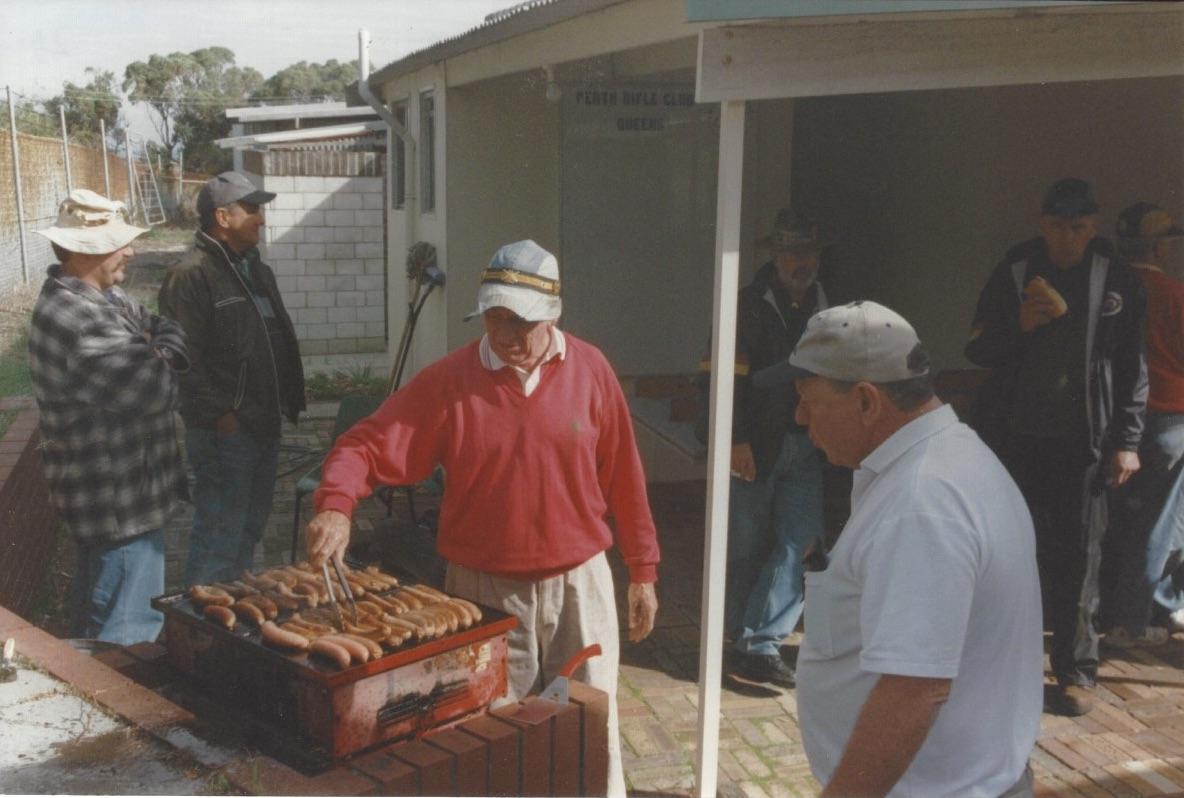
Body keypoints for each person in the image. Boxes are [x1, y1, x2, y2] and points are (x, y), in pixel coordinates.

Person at [305, 239, 660, 797]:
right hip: (484, 594)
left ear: (553, 315)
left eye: (521, 322)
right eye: (495, 319)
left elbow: (625, 477)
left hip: (578, 588)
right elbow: (365, 445)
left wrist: (643, 569)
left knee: (590, 725)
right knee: (490, 737)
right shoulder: (450, 381)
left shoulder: (591, 370)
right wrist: (336, 505)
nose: (506, 336)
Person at [756, 300, 1042, 797]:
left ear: (867, 401)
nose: (800, 417)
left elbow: (914, 690)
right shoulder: (945, 459)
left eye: (809, 398)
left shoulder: (922, 502)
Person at [965, 177, 1147, 717]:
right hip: (1015, 438)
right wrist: (1018, 324)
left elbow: (1132, 365)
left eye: (1079, 227)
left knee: (1079, 558)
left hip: (1083, 443)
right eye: (1058, 226)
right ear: (1042, 224)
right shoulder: (1017, 269)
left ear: (1093, 227)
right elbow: (976, 347)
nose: (1068, 238)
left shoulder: (1117, 277)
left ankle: (1075, 672)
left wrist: (1128, 441)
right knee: (1008, 554)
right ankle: (1004, 663)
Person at [28, 189, 189, 645]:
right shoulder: (79, 317)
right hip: (118, 512)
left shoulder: (104, 298)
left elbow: (166, 326)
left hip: (128, 507)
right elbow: (159, 390)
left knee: (111, 623)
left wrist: (156, 352)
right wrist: (159, 358)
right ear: (84, 250)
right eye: (121, 242)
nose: (132, 250)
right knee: (123, 643)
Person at [703, 208, 830, 688]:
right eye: (794, 252)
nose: (803, 261)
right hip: (755, 445)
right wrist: (736, 439)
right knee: (746, 549)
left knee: (802, 543)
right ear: (775, 255)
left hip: (808, 444)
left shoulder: (824, 303)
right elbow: (718, 378)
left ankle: (760, 644)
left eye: (810, 252)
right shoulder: (747, 304)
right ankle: (737, 639)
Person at [159, 171, 305, 586]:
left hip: (263, 422)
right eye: (252, 209)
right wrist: (222, 415)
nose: (261, 218)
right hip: (227, 432)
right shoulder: (191, 274)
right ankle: (200, 634)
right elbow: (181, 359)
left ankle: (231, 619)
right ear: (222, 217)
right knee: (219, 536)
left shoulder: (256, 269)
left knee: (249, 532)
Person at [1102, 202, 1184, 645]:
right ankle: (1132, 620)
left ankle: (1130, 609)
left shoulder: (1106, 292)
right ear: (1158, 248)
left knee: (1116, 522)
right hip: (1170, 423)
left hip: (1114, 423)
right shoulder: (1175, 294)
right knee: (1159, 524)